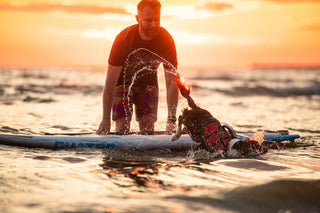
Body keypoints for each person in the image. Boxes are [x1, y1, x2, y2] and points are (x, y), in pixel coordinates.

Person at [96, 0, 179, 134]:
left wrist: (171, 120)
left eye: (157, 20)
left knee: (148, 129)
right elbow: (110, 81)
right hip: (122, 85)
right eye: (148, 20)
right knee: (122, 128)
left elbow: (172, 83)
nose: (153, 24)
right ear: (137, 18)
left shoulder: (166, 41)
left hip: (148, 85)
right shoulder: (123, 39)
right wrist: (105, 119)